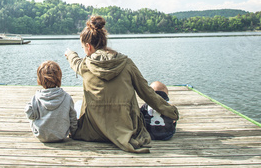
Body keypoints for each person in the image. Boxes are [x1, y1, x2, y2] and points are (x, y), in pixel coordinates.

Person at [64, 16, 179, 153]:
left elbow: (75, 62)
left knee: (78, 104)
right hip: (126, 131)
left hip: (91, 132)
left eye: (83, 47)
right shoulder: (126, 63)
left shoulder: (85, 65)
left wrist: (70, 53)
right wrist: (172, 113)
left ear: (88, 46)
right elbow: (147, 93)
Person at [24, 60, 77, 142]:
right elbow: (73, 119)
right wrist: (73, 133)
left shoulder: (36, 98)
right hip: (61, 135)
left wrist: (29, 106)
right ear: (59, 77)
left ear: (40, 80)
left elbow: (30, 115)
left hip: (41, 135)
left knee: (32, 111)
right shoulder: (67, 97)